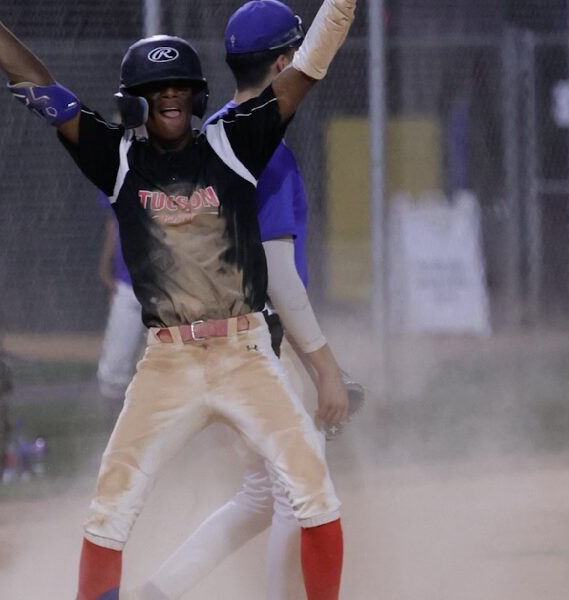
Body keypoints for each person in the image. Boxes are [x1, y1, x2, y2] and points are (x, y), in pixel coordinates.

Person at [0, 0, 358, 597]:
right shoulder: (117, 158)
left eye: (179, 87)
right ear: (133, 101)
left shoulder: (232, 143)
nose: (169, 96)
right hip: (169, 362)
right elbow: (37, 87)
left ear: (197, 97)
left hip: (245, 354)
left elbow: (308, 67)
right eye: (154, 89)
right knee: (110, 508)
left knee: (314, 493)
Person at [137, 3, 357, 598]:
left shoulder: (210, 135)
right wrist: (324, 368)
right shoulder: (267, 152)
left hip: (207, 336)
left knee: (263, 493)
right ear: (284, 63)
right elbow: (279, 276)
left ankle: (158, 592)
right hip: (258, 339)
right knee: (298, 494)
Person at [95, 191, 146, 412]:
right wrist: (105, 266)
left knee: (178, 368)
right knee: (113, 375)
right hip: (128, 284)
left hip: (173, 285)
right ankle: (117, 431)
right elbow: (114, 221)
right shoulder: (119, 171)